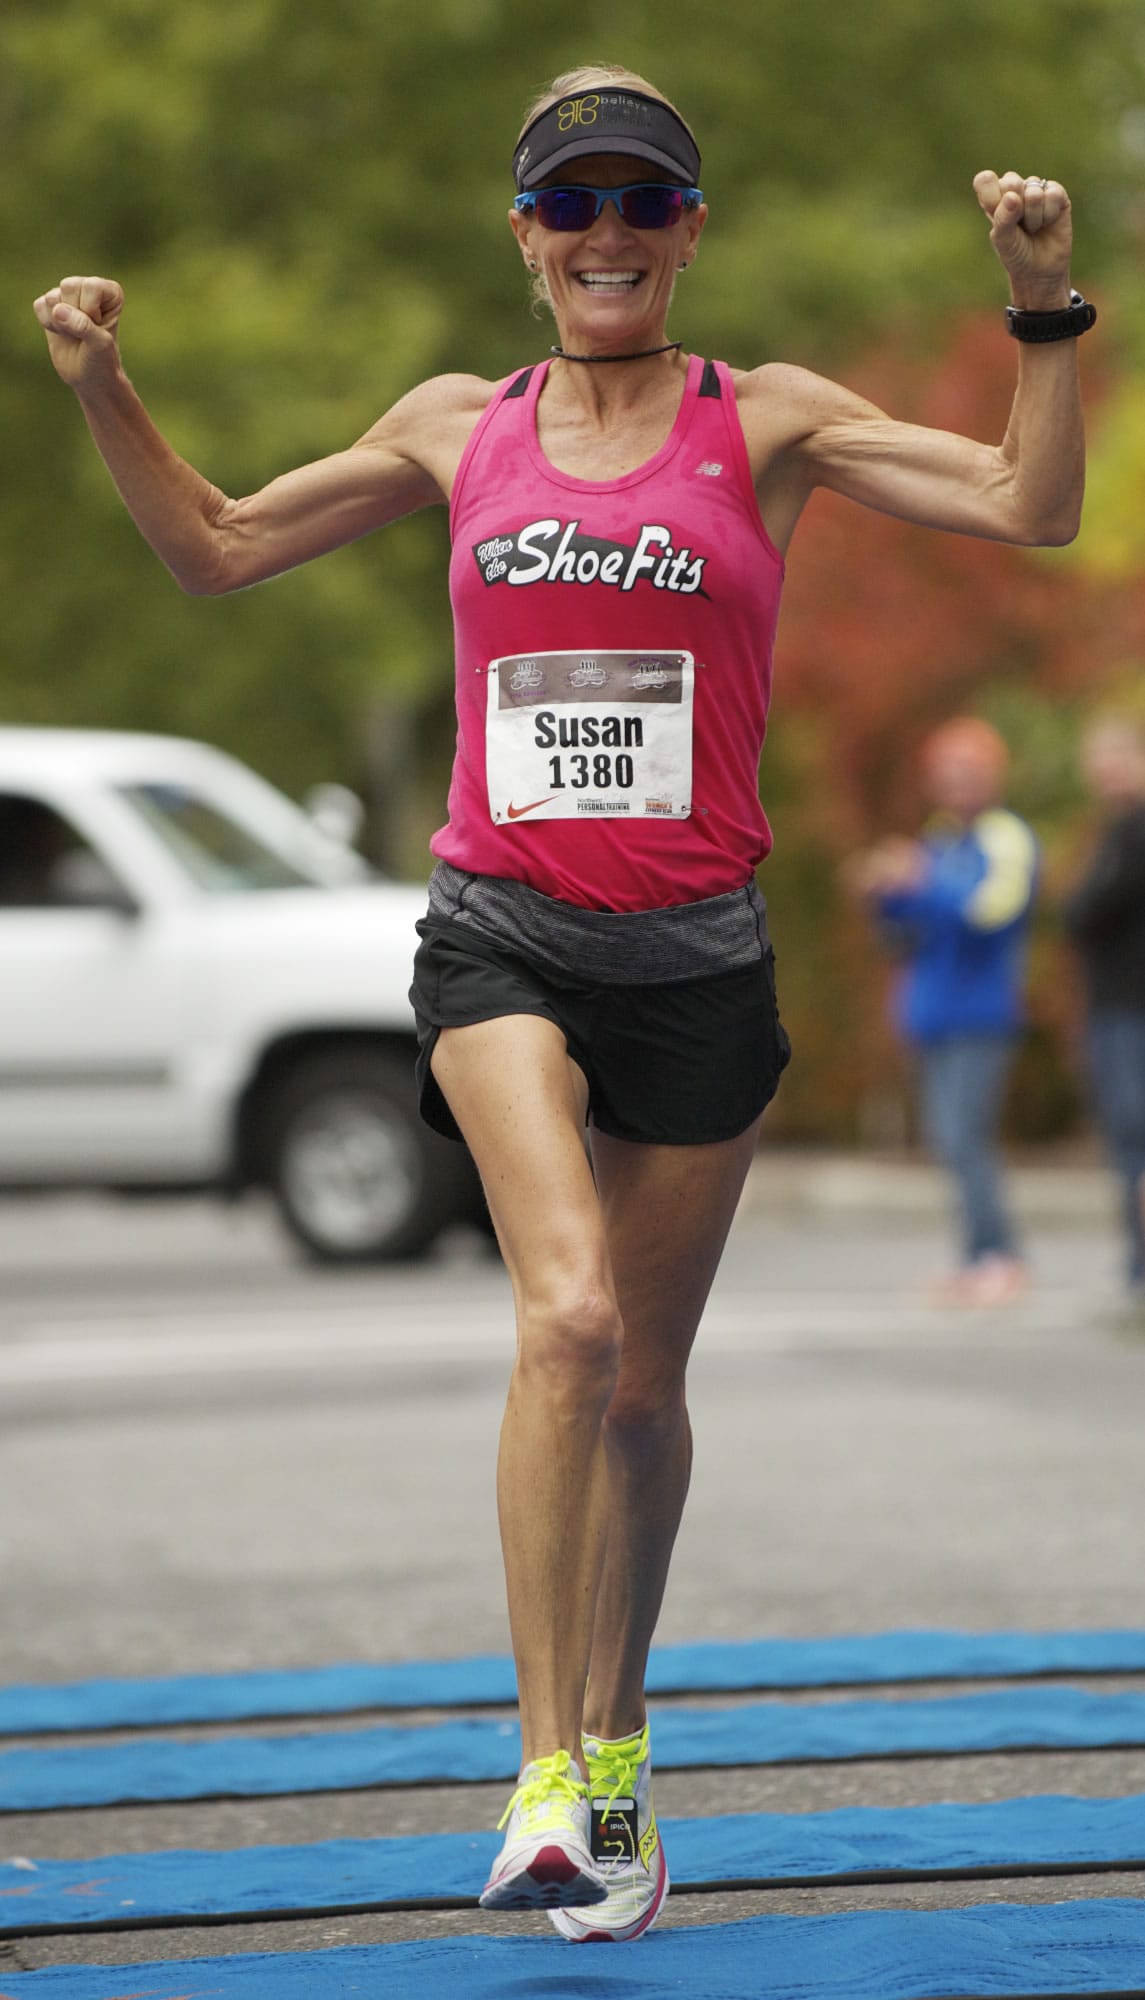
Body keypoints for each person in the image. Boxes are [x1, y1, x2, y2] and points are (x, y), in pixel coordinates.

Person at [34, 63, 1089, 1942]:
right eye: (571, 204)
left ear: (690, 233)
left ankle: (615, 1746)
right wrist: (108, 390)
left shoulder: (760, 418)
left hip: (697, 951)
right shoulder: (460, 428)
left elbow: (1029, 504)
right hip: (503, 929)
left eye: (642, 204)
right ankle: (541, 1777)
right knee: (573, 1320)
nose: (607, 232)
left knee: (649, 1392)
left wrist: (1041, 310)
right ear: (523, 238)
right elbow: (215, 548)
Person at [847, 719, 1039, 1306]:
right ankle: (975, 1256)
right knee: (948, 1140)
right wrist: (883, 895)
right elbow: (905, 934)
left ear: (992, 774)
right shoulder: (938, 840)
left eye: (967, 770)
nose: (955, 783)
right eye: (946, 772)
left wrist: (920, 881)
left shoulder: (1005, 838)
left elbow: (992, 912)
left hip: (981, 1015)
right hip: (931, 1014)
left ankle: (1000, 1256)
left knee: (965, 1139)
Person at [1062, 714, 1145, 1302]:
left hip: (1131, 1006)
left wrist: (1077, 908)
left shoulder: (1135, 832)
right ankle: (1137, 1264)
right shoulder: (1115, 829)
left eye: (1117, 755)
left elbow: (1091, 909)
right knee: (1125, 1134)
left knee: (1134, 1131)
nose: (1105, 769)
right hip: (1113, 1003)